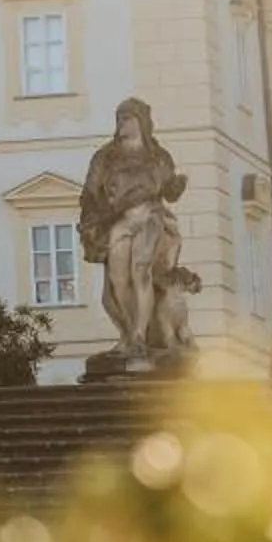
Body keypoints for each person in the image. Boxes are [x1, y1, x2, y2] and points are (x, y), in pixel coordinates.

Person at [79, 98, 189, 366]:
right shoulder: (105, 157)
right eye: (119, 118)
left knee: (141, 272)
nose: (122, 123)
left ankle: (139, 335)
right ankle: (129, 333)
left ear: (141, 121)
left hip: (149, 216)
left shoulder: (158, 156)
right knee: (117, 281)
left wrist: (177, 185)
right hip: (119, 221)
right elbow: (91, 193)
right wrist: (91, 222)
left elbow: (169, 192)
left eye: (127, 118)